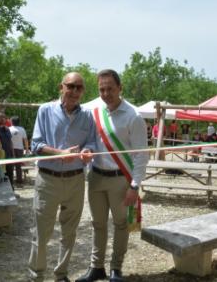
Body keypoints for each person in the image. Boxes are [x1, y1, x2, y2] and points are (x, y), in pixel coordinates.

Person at [76, 69, 149, 282]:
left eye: (110, 88)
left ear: (120, 88)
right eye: (101, 89)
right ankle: (96, 267)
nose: (106, 93)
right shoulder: (94, 110)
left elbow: (141, 156)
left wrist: (135, 186)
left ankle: (116, 269)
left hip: (120, 178)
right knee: (97, 224)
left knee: (120, 224)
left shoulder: (133, 116)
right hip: (96, 177)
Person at [28, 72, 96, 282]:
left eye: (79, 88)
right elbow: (36, 145)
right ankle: (37, 275)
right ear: (61, 87)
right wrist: (60, 154)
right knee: (42, 232)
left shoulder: (88, 115)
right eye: (71, 86)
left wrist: (87, 152)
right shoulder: (45, 110)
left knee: (69, 232)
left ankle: (61, 275)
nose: (75, 91)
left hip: (76, 180)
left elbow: (92, 143)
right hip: (48, 180)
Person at [9, 116, 29, 187]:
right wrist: (27, 150)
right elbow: (25, 140)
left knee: (10, 165)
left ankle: (11, 180)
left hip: (11, 149)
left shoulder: (9, 129)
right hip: (20, 149)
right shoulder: (22, 129)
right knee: (18, 166)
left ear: (11, 121)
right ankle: (19, 180)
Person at [0, 112, 15, 188]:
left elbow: (10, 141)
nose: (2, 118)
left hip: (9, 154)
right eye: (0, 117)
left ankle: (12, 189)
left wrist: (13, 153)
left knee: (10, 173)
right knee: (1, 174)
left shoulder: (7, 129)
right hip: (0, 155)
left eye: (4, 117)